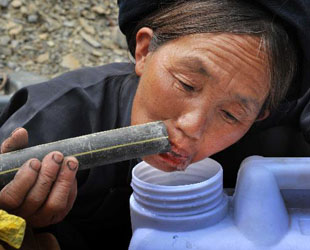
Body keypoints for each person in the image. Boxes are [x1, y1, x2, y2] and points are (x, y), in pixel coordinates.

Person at [0, 0, 309, 249]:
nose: (193, 127)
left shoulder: (271, 120)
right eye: (187, 85)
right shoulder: (50, 125)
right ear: (144, 50)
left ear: (259, 116)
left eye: (230, 115)